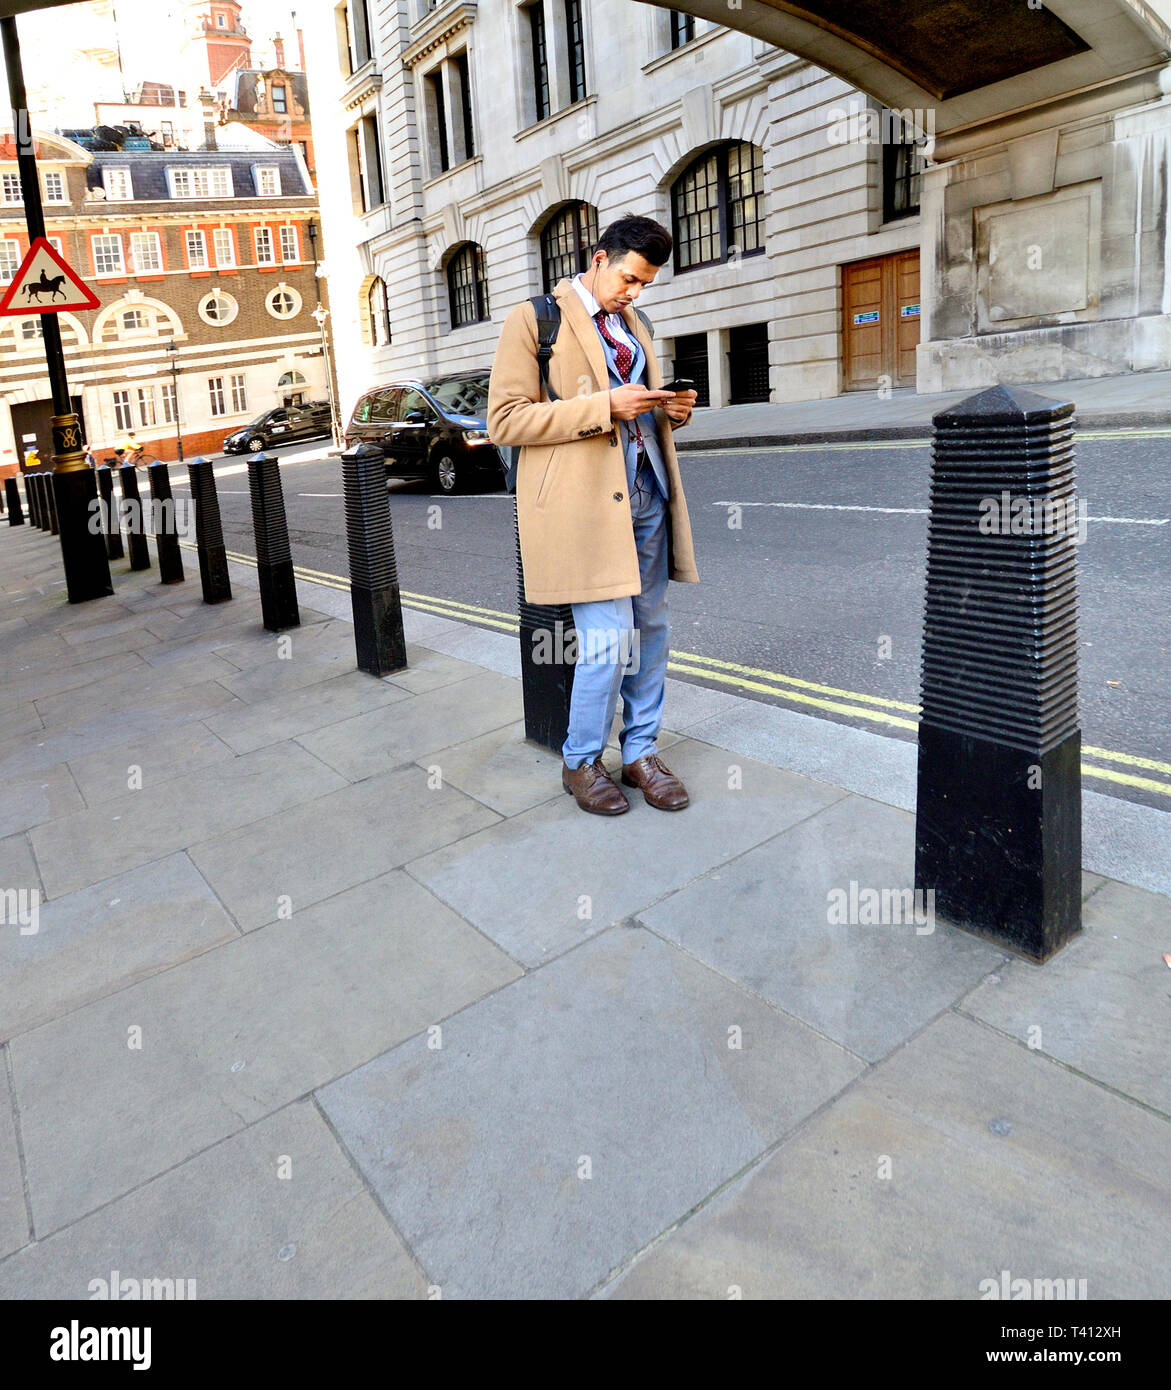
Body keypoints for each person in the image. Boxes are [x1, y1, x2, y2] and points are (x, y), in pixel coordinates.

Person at [488, 213, 700, 816]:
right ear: (599, 258)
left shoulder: (636, 323)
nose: (635, 293)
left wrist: (672, 410)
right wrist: (602, 404)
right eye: (630, 278)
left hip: (647, 492)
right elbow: (505, 420)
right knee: (608, 641)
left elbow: (641, 411)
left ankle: (641, 751)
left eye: (646, 285)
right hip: (583, 507)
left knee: (650, 632)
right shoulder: (534, 319)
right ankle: (582, 760)